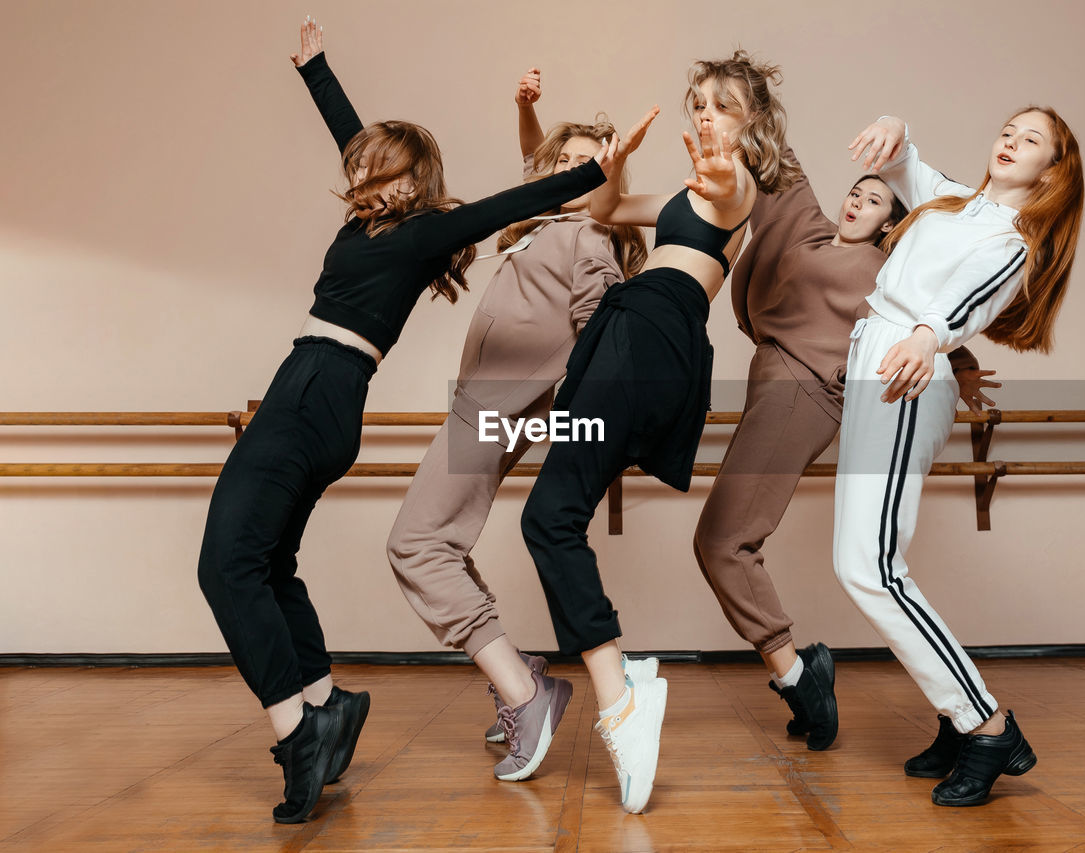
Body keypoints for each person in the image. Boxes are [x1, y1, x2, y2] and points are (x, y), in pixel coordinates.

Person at [195, 20, 614, 823]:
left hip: (318, 386)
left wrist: (596, 169)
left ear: (404, 180)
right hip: (317, 391)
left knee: (226, 565)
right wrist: (316, 69)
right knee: (267, 561)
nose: (352, 174)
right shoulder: (377, 221)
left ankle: (299, 733)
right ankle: (325, 702)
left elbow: (506, 203)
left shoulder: (424, 230)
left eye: (368, 169)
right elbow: (355, 141)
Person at [520, 51, 800, 813]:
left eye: (723, 105)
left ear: (754, 122)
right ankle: (624, 688)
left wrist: (718, 173)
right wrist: (617, 165)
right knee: (554, 515)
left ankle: (622, 702)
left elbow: (730, 188)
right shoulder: (686, 188)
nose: (705, 114)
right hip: (634, 335)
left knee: (548, 516)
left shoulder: (735, 185)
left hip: (648, 332)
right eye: (699, 103)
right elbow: (606, 212)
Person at [384, 67, 650, 783]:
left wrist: (585, 421)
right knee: (441, 542)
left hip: (495, 410)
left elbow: (601, 330)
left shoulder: (589, 235)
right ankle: (518, 680)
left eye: (585, 166)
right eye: (561, 161)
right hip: (482, 405)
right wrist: (525, 109)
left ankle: (527, 692)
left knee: (415, 545)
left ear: (606, 181)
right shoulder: (540, 226)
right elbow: (537, 165)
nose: (565, 172)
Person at [693, 144, 998, 751]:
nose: (858, 201)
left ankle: (799, 677)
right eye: (855, 191)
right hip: (769, 381)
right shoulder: (810, 235)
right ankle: (803, 676)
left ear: (890, 221)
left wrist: (959, 365)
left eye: (875, 198)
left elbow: (919, 314)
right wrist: (736, 120)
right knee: (723, 540)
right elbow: (780, 175)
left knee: (724, 540)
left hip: (803, 396)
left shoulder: (884, 268)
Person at [837, 108, 1083, 805]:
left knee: (870, 565)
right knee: (870, 563)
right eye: (1008, 129)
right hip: (880, 360)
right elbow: (903, 157)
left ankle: (986, 723)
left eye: (1030, 139)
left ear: (1053, 170)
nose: (1010, 140)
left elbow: (964, 301)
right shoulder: (951, 200)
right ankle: (959, 712)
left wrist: (926, 335)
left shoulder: (1011, 238)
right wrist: (891, 126)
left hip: (906, 372)